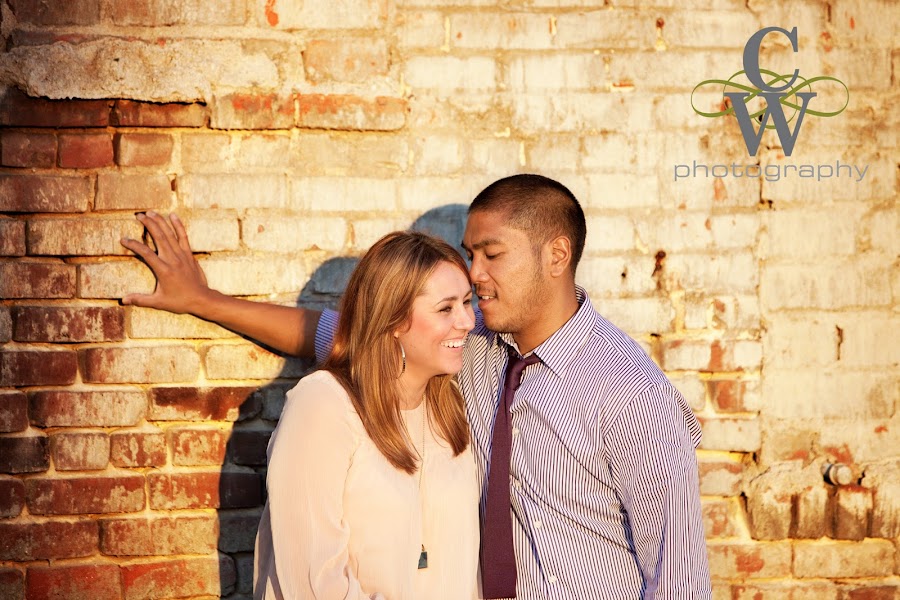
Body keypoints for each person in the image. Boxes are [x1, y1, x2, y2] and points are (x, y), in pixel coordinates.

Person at [122, 174, 711, 599]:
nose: (476, 273)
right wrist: (204, 301)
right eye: (471, 254)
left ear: (556, 255)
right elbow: (342, 332)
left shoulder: (633, 394)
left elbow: (681, 577)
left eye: (492, 254)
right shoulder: (469, 348)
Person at [215, 231, 480, 599]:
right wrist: (203, 300)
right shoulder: (324, 405)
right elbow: (312, 578)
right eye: (446, 308)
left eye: (468, 302)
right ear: (392, 320)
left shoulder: (454, 410)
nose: (467, 322)